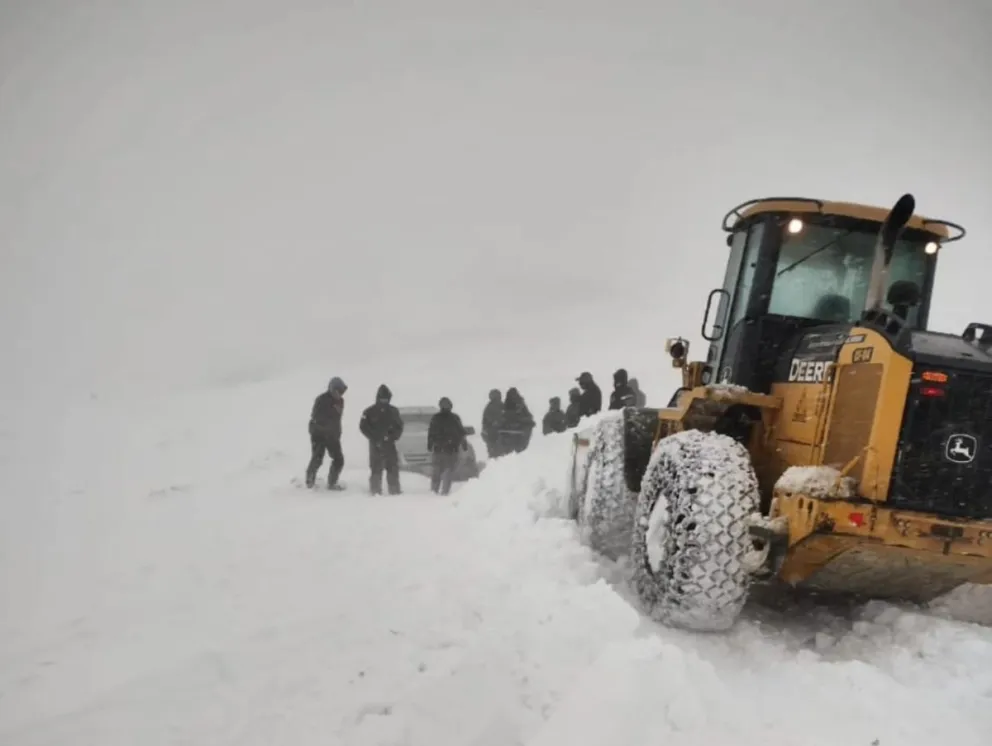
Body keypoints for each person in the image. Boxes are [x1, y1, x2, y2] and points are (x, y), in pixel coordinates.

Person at [359, 384, 404, 495]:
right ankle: (375, 491)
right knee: (376, 469)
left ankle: (394, 490)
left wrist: (392, 437)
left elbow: (399, 427)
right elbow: (363, 426)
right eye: (382, 399)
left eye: (386, 399)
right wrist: (375, 437)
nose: (384, 401)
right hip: (375, 445)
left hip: (389, 444)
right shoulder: (369, 412)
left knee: (392, 468)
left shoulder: (394, 411)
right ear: (378, 398)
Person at [306, 376, 347, 489]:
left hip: (332, 435)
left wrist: (337, 432)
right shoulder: (321, 400)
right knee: (317, 458)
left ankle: (332, 482)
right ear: (332, 389)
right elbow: (316, 417)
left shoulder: (340, 401)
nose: (340, 394)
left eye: (342, 391)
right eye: (338, 391)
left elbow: (337, 419)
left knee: (339, 459)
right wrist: (324, 428)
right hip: (319, 434)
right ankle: (310, 481)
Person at [427, 397, 469, 495]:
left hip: (439, 449)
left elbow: (431, 433)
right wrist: (464, 444)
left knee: (437, 471)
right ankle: (444, 491)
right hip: (451, 450)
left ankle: (434, 491)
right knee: (448, 470)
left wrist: (430, 445)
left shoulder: (436, 418)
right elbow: (461, 432)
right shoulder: (455, 418)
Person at [497, 387, 536, 454]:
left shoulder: (518, 404)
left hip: (515, 432)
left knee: (513, 450)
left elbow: (527, 417)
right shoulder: (517, 404)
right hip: (513, 432)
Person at [481, 388, 503, 458]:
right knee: (495, 453)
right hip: (494, 434)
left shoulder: (490, 407)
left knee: (494, 454)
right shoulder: (491, 407)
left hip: (496, 434)